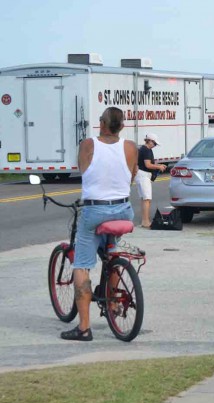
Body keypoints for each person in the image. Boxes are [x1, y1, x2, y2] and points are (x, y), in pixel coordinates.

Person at [61, 107, 138, 341]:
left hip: (95, 210)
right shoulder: (130, 147)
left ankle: (84, 327)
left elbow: (83, 171)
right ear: (122, 126)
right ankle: (114, 301)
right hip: (123, 210)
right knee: (111, 251)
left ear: (101, 124)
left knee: (82, 265)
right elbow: (132, 176)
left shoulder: (88, 145)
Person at [135, 133, 166, 228]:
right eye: (154, 143)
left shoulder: (143, 149)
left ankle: (144, 219)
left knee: (144, 199)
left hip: (140, 174)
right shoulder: (146, 150)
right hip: (144, 175)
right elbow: (148, 165)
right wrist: (159, 166)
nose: (155, 145)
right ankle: (145, 221)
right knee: (147, 198)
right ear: (149, 141)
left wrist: (156, 165)